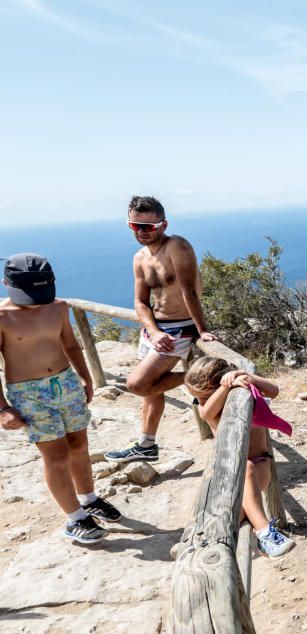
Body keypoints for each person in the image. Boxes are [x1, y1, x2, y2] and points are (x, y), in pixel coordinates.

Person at [0, 253, 121, 543]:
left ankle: (89, 499)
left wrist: (85, 377)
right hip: (28, 393)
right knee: (56, 456)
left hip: (66, 383)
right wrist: (3, 408)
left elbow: (69, 343)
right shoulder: (2, 317)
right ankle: (75, 519)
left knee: (79, 445)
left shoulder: (58, 307)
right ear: (6, 283)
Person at [105, 196, 218, 464]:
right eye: (136, 226)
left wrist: (202, 330)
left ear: (163, 224)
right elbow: (140, 302)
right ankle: (146, 444)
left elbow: (189, 291)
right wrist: (153, 332)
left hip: (180, 328)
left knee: (138, 384)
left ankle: (203, 378)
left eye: (149, 226)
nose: (142, 232)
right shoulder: (139, 258)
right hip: (154, 330)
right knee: (151, 391)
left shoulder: (176, 246)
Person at [184, 357, 294, 557]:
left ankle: (264, 533)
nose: (199, 402)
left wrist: (244, 376)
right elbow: (205, 413)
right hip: (227, 473)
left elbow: (274, 391)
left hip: (258, 467)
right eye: (195, 398)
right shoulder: (208, 403)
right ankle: (198, 546)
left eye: (202, 396)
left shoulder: (244, 391)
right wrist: (224, 388)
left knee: (247, 473)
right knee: (232, 517)